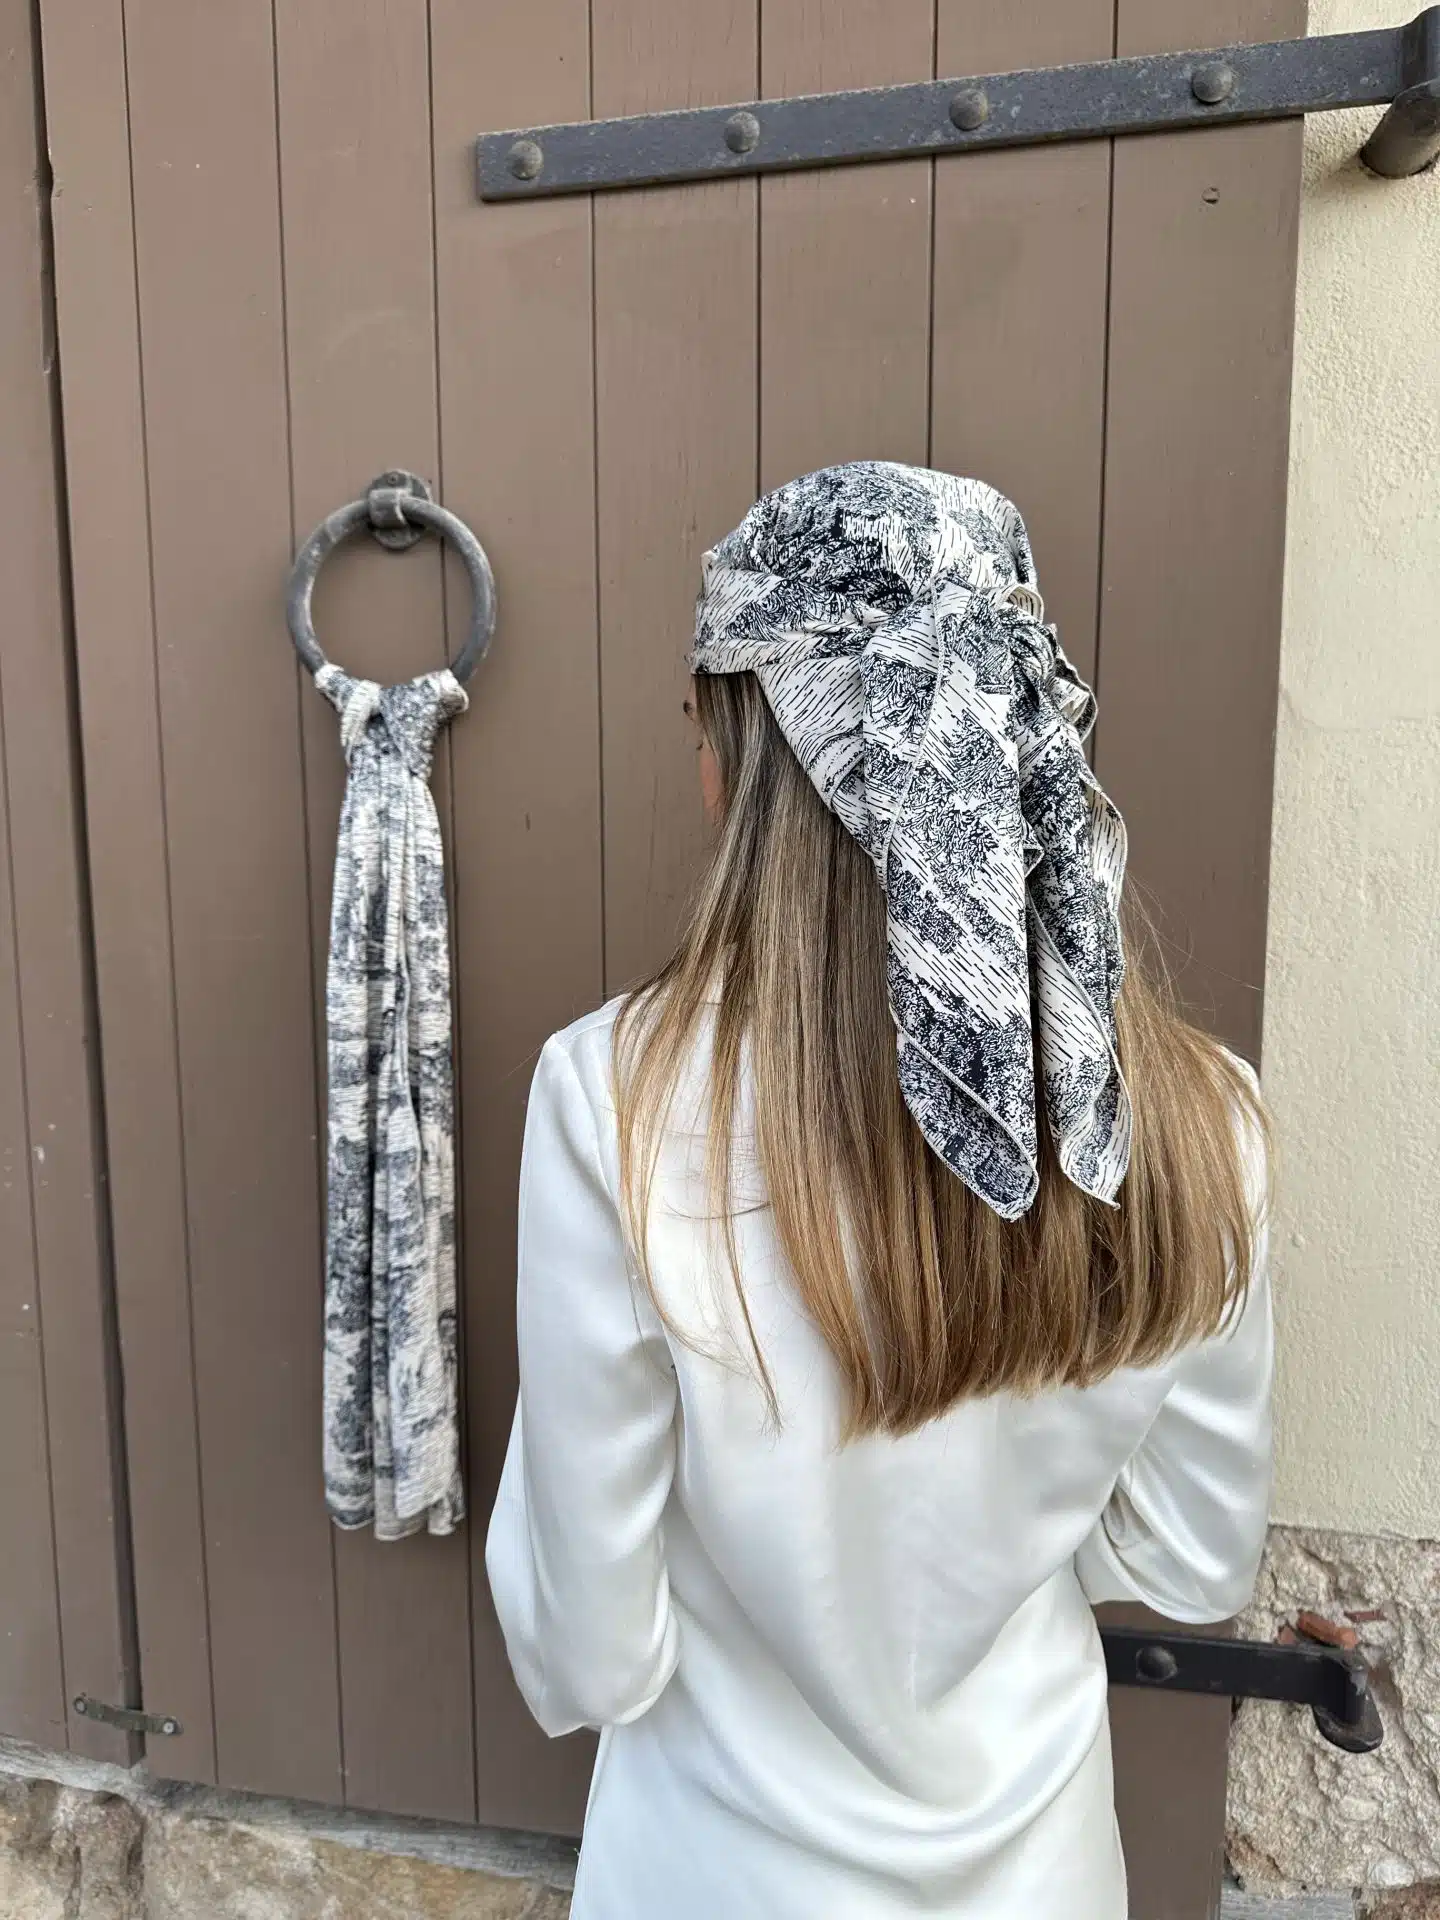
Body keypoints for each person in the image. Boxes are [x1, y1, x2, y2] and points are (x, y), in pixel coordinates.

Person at [486, 461, 1272, 1919]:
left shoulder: (617, 1099)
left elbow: (590, 1653)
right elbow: (1194, 1554)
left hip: (712, 1874)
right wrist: (989, 1542)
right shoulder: (1200, 1118)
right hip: (1038, 1870)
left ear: (747, 748)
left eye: (700, 727)